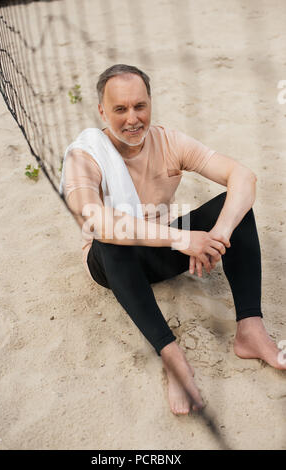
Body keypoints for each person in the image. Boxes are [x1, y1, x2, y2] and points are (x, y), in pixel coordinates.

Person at [63, 64, 286, 416]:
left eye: (140, 106)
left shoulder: (168, 141)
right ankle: (172, 356)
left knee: (236, 209)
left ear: (151, 103)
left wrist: (217, 236)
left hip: (164, 245)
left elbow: (243, 175)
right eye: (120, 109)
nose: (132, 118)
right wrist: (184, 238)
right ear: (102, 111)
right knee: (110, 237)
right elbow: (98, 222)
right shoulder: (85, 156)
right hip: (114, 264)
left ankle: (250, 329)